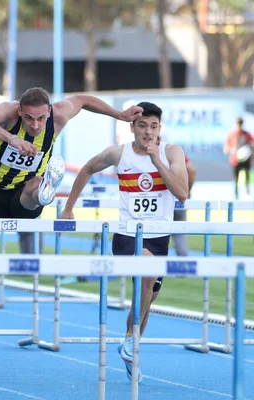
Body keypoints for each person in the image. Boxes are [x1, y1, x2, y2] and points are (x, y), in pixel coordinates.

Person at [58, 102, 188, 382]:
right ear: (132, 127)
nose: (148, 132)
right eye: (142, 125)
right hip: (127, 236)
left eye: (153, 126)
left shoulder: (171, 152)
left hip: (159, 239)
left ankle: (131, 343)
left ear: (160, 129)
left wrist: (157, 162)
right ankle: (132, 342)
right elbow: (86, 169)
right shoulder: (119, 153)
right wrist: (69, 207)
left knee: (147, 299)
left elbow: (182, 193)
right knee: (148, 273)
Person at [0, 87, 144, 254]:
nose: (35, 125)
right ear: (20, 111)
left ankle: (45, 190)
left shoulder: (59, 114)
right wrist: (12, 139)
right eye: (29, 118)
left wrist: (119, 115)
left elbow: (83, 100)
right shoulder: (9, 112)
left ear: (49, 111)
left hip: (26, 195)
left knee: (35, 184)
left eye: (40, 118)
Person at [156, 135, 196, 256]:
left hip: (160, 200)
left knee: (155, 234)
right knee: (179, 232)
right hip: (177, 199)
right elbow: (191, 170)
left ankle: (154, 264)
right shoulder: (172, 153)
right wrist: (187, 190)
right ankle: (182, 265)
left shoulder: (146, 154)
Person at [224, 117, 253, 199]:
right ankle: (236, 196)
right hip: (235, 160)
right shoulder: (232, 134)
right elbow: (226, 148)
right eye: (238, 123)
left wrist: (248, 151)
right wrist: (232, 150)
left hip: (246, 160)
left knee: (247, 178)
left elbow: (252, 145)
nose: (239, 125)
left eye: (241, 123)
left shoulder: (247, 134)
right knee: (236, 179)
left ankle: (248, 195)